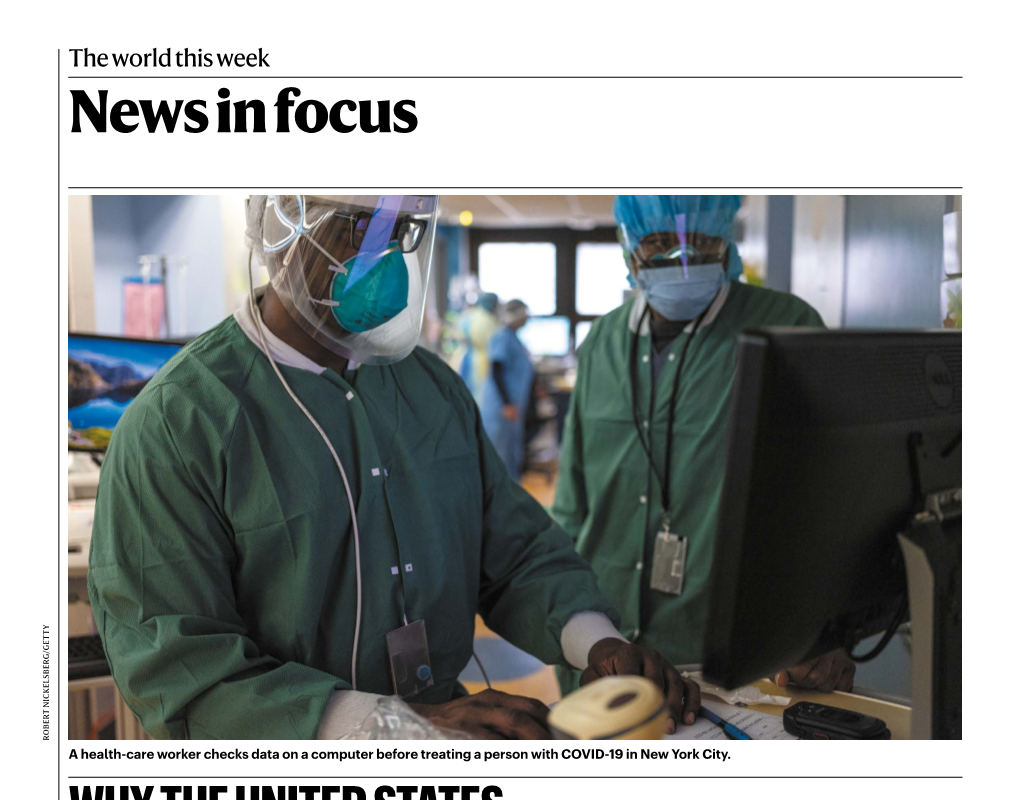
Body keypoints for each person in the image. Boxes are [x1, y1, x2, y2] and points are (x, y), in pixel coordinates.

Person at [88, 193, 700, 740]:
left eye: (403, 231)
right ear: (283, 223)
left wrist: (598, 641)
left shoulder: (430, 388)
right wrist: (391, 727)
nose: (384, 255)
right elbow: (179, 664)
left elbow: (514, 550)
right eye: (361, 227)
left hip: (446, 728)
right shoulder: (179, 420)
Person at [552, 194, 856, 697]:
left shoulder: (786, 327)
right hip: (604, 648)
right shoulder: (602, 341)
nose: (683, 258)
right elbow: (571, 505)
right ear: (630, 250)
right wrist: (575, 630)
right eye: (661, 242)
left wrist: (828, 626)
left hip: (729, 655)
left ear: (726, 241)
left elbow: (829, 498)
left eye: (701, 240)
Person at [481, 300, 535, 480]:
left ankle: (511, 496)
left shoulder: (514, 339)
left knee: (511, 453)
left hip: (511, 406)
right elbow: (496, 371)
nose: (526, 319)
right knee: (501, 454)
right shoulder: (502, 338)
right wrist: (506, 403)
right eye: (524, 315)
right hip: (501, 408)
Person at [457, 291, 500, 403]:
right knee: (479, 396)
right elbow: (491, 342)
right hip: (480, 361)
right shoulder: (486, 319)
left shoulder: (468, 315)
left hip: (462, 357)